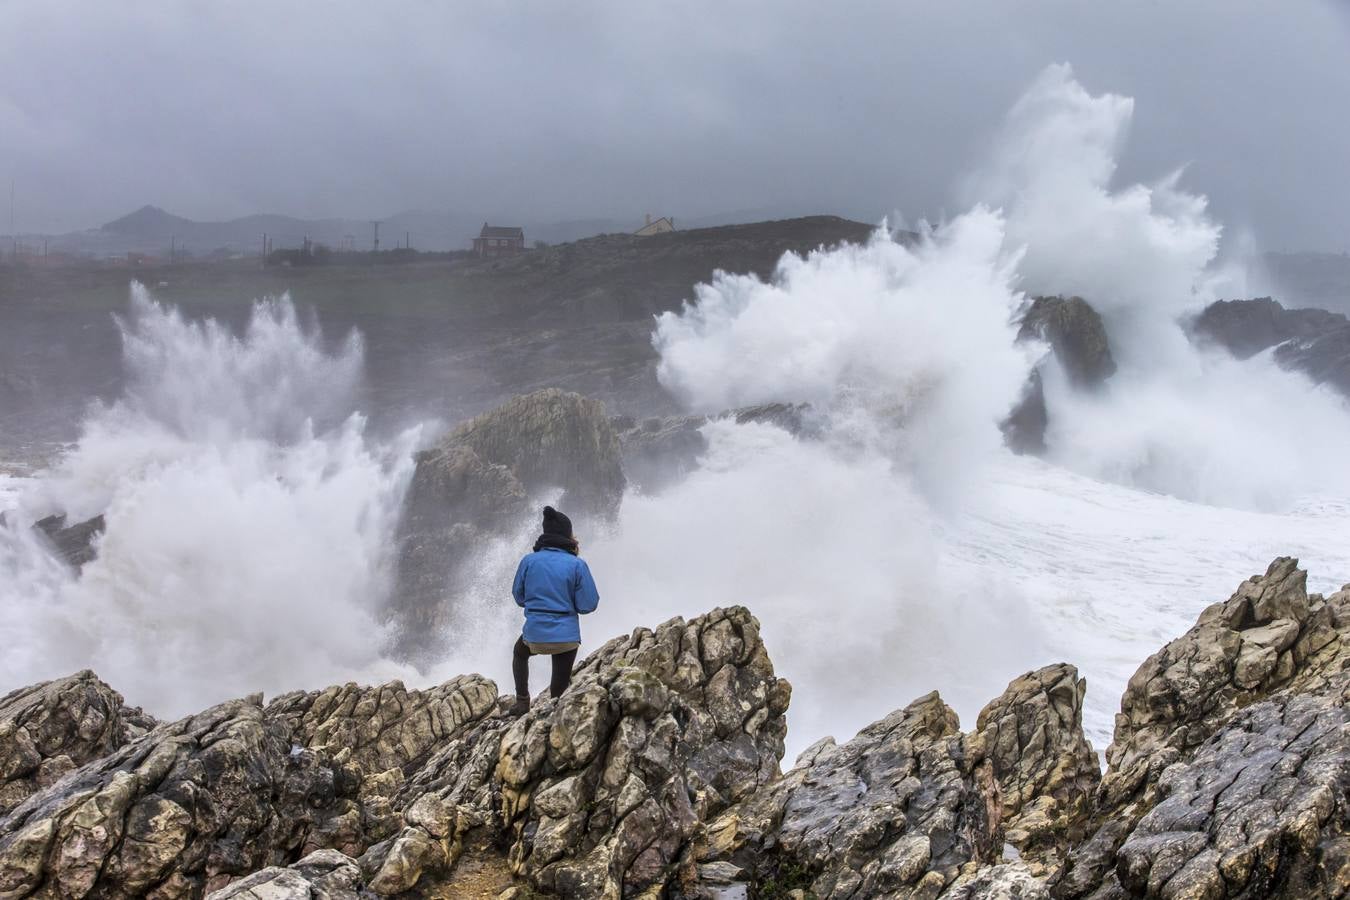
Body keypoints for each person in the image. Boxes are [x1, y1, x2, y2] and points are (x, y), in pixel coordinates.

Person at [510, 505, 599, 715]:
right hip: (566, 640)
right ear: (567, 535)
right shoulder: (577, 565)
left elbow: (519, 597)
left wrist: (537, 606)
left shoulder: (529, 561)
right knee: (559, 690)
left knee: (519, 654)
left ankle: (522, 702)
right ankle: (556, 711)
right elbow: (589, 604)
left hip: (534, 636)